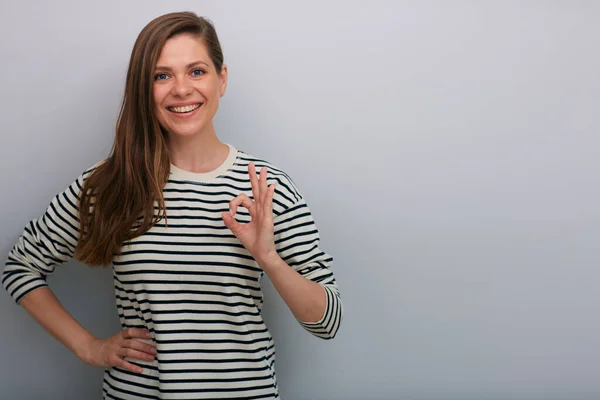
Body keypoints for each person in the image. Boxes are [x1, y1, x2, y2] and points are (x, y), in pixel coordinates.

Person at [1, 11, 342, 399]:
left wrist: (269, 258)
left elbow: (327, 320)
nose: (181, 89)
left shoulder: (266, 187)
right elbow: (21, 266)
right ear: (143, 89)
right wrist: (89, 347)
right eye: (161, 76)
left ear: (222, 79)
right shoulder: (111, 185)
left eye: (196, 71)